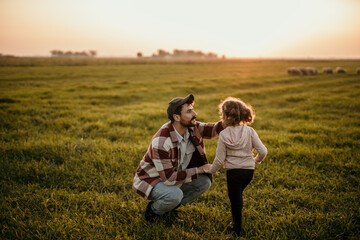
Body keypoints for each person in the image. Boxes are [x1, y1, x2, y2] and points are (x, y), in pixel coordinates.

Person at [132, 94, 224, 222]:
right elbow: (169, 179)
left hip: (172, 176)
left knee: (204, 182)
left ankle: (168, 209)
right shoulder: (162, 142)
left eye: (193, 110)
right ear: (176, 117)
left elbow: (214, 129)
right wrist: (200, 169)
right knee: (174, 195)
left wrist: (233, 119)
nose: (195, 114)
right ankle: (153, 211)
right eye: (189, 111)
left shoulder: (192, 127)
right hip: (151, 180)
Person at [206, 97, 267, 237]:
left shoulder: (223, 134)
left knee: (235, 200)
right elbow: (263, 151)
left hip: (233, 173)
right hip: (248, 172)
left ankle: (236, 228)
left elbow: (219, 159)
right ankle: (235, 223)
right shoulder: (250, 131)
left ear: (225, 116)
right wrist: (256, 160)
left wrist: (210, 170)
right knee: (238, 195)